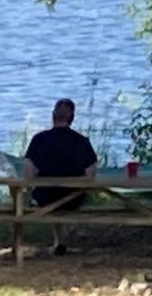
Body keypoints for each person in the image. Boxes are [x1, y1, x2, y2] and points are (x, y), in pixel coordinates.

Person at [23, 98, 98, 256]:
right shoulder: (81, 142)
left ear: (53, 116)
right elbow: (91, 175)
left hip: (45, 198)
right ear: (72, 118)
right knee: (63, 196)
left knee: (51, 197)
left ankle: (58, 241)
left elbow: (28, 173)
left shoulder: (39, 140)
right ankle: (60, 241)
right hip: (73, 199)